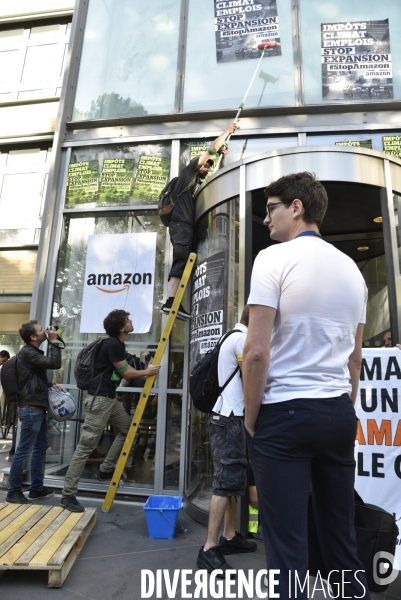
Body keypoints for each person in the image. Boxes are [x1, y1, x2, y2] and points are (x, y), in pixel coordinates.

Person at [243, 172, 370, 598]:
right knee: (340, 540)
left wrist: (250, 416)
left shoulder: (272, 260)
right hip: (336, 414)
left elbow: (256, 352)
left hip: (284, 414)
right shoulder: (353, 270)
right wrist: (343, 408)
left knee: (288, 549)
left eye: (271, 208)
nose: (266, 220)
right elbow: (355, 358)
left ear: (296, 208)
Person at [60, 309, 160, 512]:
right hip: (99, 401)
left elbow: (122, 372)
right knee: (85, 447)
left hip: (108, 399)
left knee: (128, 429)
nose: (131, 322)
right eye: (128, 320)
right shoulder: (113, 343)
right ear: (122, 327)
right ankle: (68, 495)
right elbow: (127, 373)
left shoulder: (117, 344)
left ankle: (105, 470)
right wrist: (147, 371)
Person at [197, 305, 256, 576]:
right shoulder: (243, 339)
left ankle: (229, 536)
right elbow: (251, 381)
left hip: (228, 417)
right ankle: (209, 548)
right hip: (230, 418)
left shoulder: (230, 336)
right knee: (224, 482)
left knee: (233, 478)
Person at [161, 122, 236, 320]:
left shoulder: (199, 186)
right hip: (181, 226)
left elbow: (218, 176)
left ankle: (177, 302)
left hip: (188, 229)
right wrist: (226, 132)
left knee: (188, 264)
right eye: (205, 164)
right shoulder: (187, 176)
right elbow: (212, 149)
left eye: (208, 165)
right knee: (180, 262)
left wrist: (223, 159)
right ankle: (170, 302)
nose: (206, 166)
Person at [6, 321, 62, 504]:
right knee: (24, 450)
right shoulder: (28, 352)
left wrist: (50, 385)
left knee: (40, 447)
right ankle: (13, 492)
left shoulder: (32, 353)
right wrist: (54, 342)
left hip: (37, 406)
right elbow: (55, 363)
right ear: (33, 337)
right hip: (30, 408)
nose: (45, 331)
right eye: (40, 330)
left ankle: (36, 488)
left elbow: (33, 378)